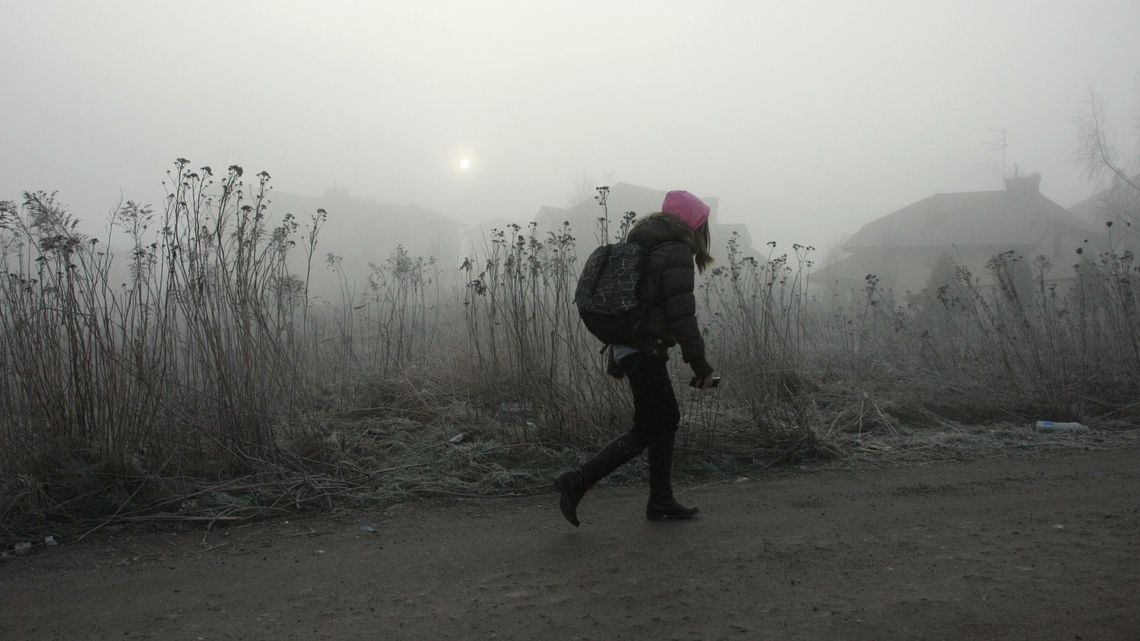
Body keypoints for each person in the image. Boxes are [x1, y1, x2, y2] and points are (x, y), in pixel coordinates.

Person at [554, 189, 717, 526]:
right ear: (694, 225)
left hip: (629, 346)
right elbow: (682, 316)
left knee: (666, 418)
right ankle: (578, 481)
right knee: (647, 427)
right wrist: (700, 366)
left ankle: (661, 500)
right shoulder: (675, 251)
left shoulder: (644, 242)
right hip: (644, 348)